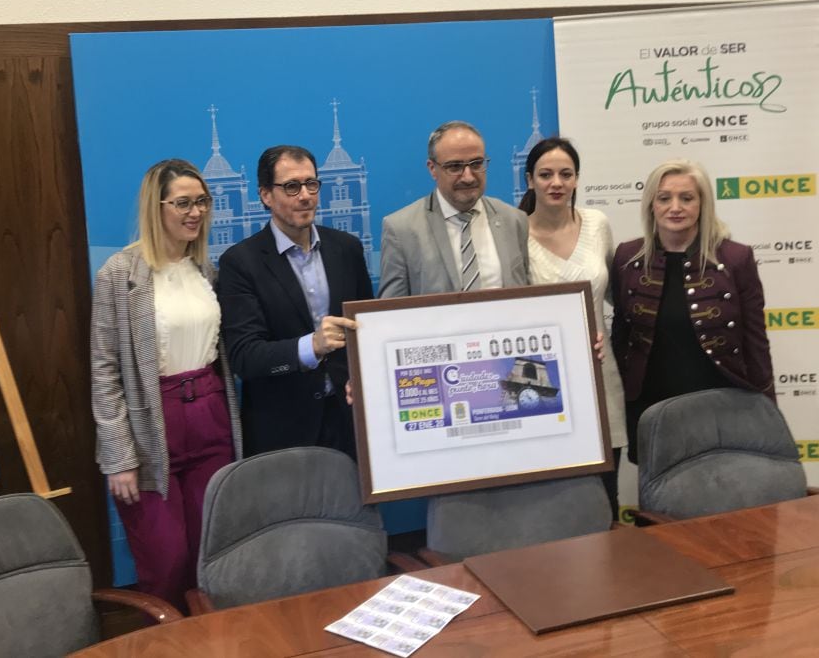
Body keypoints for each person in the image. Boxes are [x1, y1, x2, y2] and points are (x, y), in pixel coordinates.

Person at [91, 158, 241, 610]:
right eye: (182, 203)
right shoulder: (120, 273)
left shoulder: (206, 270)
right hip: (151, 425)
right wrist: (119, 456)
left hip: (210, 415)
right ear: (155, 207)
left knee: (213, 550)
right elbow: (104, 367)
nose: (195, 212)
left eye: (201, 202)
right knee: (166, 557)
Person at [610, 159, 775, 465]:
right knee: (658, 502)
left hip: (721, 407)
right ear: (651, 205)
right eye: (664, 198)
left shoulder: (736, 258)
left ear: (702, 204)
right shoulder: (627, 258)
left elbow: (756, 343)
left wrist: (768, 415)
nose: (675, 207)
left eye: (686, 198)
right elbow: (621, 339)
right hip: (651, 409)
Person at [217, 145, 373, 460]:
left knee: (355, 510)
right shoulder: (240, 263)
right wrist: (311, 346)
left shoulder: (346, 249)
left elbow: (366, 329)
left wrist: (362, 377)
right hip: (282, 431)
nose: (305, 195)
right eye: (291, 187)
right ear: (265, 195)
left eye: (311, 184)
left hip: (348, 421)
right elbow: (245, 357)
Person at [519, 137, 627, 516]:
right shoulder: (514, 236)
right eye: (545, 174)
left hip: (600, 373)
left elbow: (619, 295)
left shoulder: (597, 224)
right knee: (555, 500)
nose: (556, 183)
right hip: (543, 383)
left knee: (606, 494)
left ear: (577, 179)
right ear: (530, 180)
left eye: (566, 174)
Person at [379, 120, 530, 298]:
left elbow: (525, 298)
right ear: (432, 169)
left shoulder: (513, 220)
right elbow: (391, 312)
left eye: (476, 164)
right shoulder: (401, 229)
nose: (468, 177)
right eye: (455, 166)